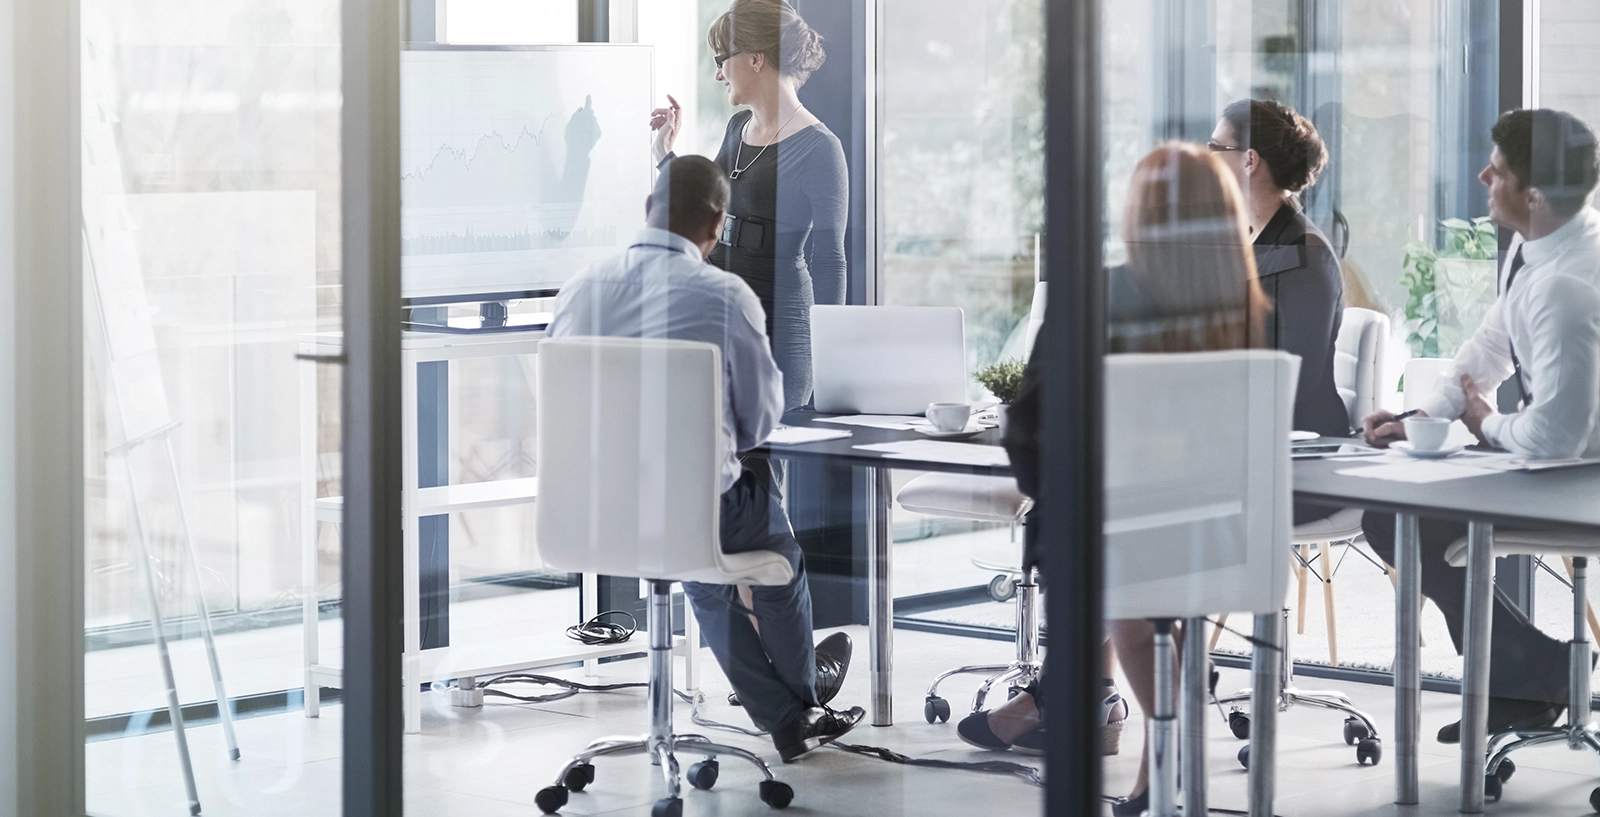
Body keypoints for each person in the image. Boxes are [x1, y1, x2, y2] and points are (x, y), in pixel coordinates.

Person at [972, 143, 1272, 817]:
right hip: (1221, 534)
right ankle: (1156, 776)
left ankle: (1154, 753)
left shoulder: (1096, 296)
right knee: (1160, 600)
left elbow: (1032, 422)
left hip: (1118, 534)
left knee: (1122, 596)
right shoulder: (1248, 308)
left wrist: (1050, 488)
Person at [547, 155, 865, 761]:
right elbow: (760, 421)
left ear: (648, 210)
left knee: (693, 559)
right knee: (768, 546)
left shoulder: (579, 290)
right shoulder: (724, 296)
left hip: (590, 513)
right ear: (718, 226)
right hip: (696, 511)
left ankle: (788, 714)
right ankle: (801, 700)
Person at [1360, 108, 1600, 743]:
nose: (1481, 174)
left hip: (1583, 480)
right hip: (1562, 465)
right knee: (1390, 512)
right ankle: (1526, 672)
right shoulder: (1537, 249)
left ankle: (1528, 672)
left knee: (1406, 519)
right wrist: (1418, 420)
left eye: (1499, 169)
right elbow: (1486, 352)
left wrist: (1485, 423)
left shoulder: (1568, 286)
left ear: (1535, 193)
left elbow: (1554, 438)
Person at [650, 0, 848, 410]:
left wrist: (832, 356)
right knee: (708, 454)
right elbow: (701, 210)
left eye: (723, 59)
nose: (718, 72)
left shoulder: (821, 148)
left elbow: (830, 261)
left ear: (756, 59)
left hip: (780, 328)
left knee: (757, 465)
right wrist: (664, 154)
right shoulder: (737, 128)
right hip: (717, 314)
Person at [1210, 100, 1348, 444]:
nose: (1206, 156)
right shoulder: (1249, 239)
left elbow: (1295, 377)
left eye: (1215, 146)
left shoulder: (1305, 252)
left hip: (1298, 444)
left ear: (1249, 160)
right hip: (1252, 432)